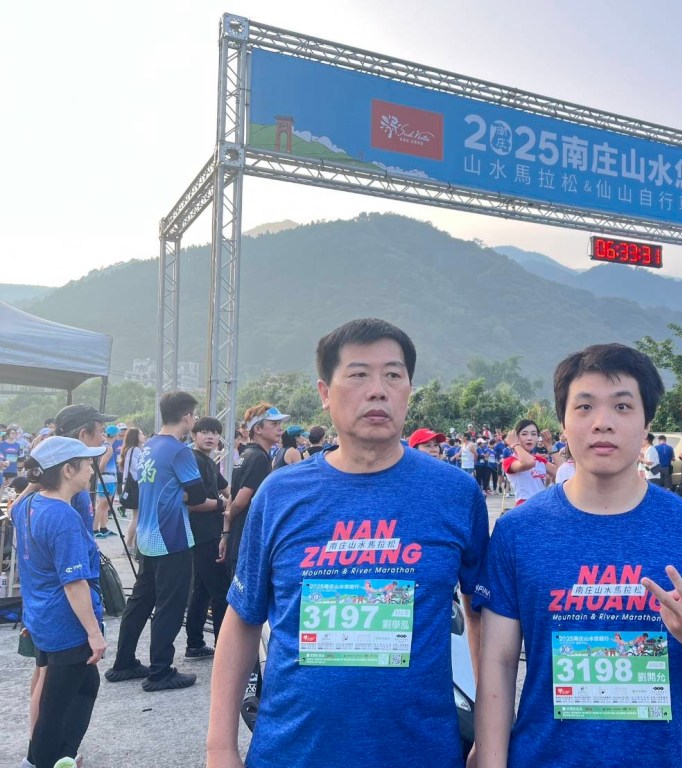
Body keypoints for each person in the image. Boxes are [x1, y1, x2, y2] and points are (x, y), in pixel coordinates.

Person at [206, 318, 489, 768]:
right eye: (358, 375)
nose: (377, 390)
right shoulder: (280, 495)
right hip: (293, 751)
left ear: (409, 390)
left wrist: (487, 740)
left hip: (419, 751)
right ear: (325, 392)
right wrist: (220, 748)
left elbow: (480, 616)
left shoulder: (455, 494)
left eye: (393, 375)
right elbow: (242, 619)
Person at [473, 343, 682, 768]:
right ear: (563, 423)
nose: (602, 422)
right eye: (584, 406)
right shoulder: (518, 532)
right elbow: (497, 663)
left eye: (622, 406)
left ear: (646, 424)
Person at [13, 437, 108, 768]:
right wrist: (94, 633)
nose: (92, 469)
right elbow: (74, 583)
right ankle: (39, 762)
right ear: (68, 470)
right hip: (66, 624)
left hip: (42, 618)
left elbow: (15, 506)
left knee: (86, 685)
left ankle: (63, 758)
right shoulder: (64, 517)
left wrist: (36, 477)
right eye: (87, 463)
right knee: (54, 710)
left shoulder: (27, 505)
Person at [104, 391, 206, 692]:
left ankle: (123, 662)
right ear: (187, 416)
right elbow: (198, 495)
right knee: (170, 605)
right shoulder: (179, 451)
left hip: (147, 535)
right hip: (172, 537)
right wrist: (180, 496)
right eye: (194, 415)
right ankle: (161, 672)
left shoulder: (149, 445)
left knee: (141, 601)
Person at [184, 416, 232, 659]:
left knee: (202, 590)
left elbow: (228, 490)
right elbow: (193, 503)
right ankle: (224, 647)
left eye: (214, 432)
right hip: (203, 534)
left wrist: (236, 502)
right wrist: (223, 504)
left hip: (208, 532)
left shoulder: (210, 462)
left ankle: (194, 643)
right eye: (204, 431)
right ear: (194, 435)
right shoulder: (194, 461)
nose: (210, 436)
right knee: (221, 592)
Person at [223, 404, 289, 573]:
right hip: (248, 539)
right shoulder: (258, 458)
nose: (280, 428)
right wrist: (230, 516)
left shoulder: (245, 455)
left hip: (239, 538)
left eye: (280, 424)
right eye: (274, 424)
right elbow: (240, 500)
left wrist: (226, 530)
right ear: (258, 429)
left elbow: (232, 495)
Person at [502, 419, 557, 505]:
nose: (529, 438)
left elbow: (561, 471)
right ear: (516, 437)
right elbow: (529, 463)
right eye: (524, 434)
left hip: (542, 505)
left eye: (534, 434)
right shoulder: (509, 461)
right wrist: (515, 445)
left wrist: (550, 447)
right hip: (524, 506)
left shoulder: (540, 460)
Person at [118, 428, 144, 554]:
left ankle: (130, 545)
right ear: (135, 436)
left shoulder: (129, 450)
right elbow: (137, 470)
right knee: (136, 517)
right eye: (141, 434)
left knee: (135, 516)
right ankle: (129, 545)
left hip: (130, 486)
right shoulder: (136, 450)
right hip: (136, 487)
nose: (143, 436)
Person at [91, 425, 118, 538]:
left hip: (106, 478)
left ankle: (103, 527)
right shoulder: (108, 448)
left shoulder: (102, 446)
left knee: (105, 505)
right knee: (102, 504)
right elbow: (102, 464)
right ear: (115, 435)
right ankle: (95, 529)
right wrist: (99, 475)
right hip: (107, 478)